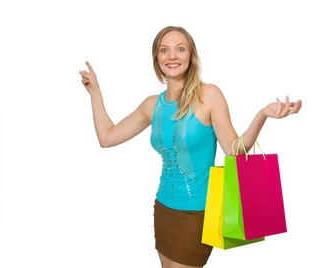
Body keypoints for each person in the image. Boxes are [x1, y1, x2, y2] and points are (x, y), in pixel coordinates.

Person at [79, 25, 302, 268]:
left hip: (198, 213)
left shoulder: (209, 96)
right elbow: (107, 138)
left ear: (191, 56)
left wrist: (262, 115)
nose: (172, 56)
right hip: (163, 208)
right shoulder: (152, 105)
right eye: (164, 50)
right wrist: (95, 92)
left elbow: (235, 151)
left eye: (180, 49)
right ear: (157, 58)